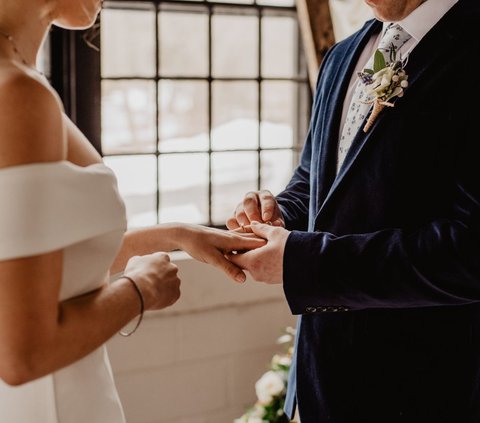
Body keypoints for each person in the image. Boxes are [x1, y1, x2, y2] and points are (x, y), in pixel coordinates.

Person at [0, 0, 264, 421]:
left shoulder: (19, 81)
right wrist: (141, 290)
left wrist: (175, 236)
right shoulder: (17, 95)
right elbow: (22, 354)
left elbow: (39, 265)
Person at [227, 0, 480, 421]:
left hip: (432, 390)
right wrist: (278, 213)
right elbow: (316, 179)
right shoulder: (342, 55)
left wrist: (302, 262)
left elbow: (470, 251)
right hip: (320, 384)